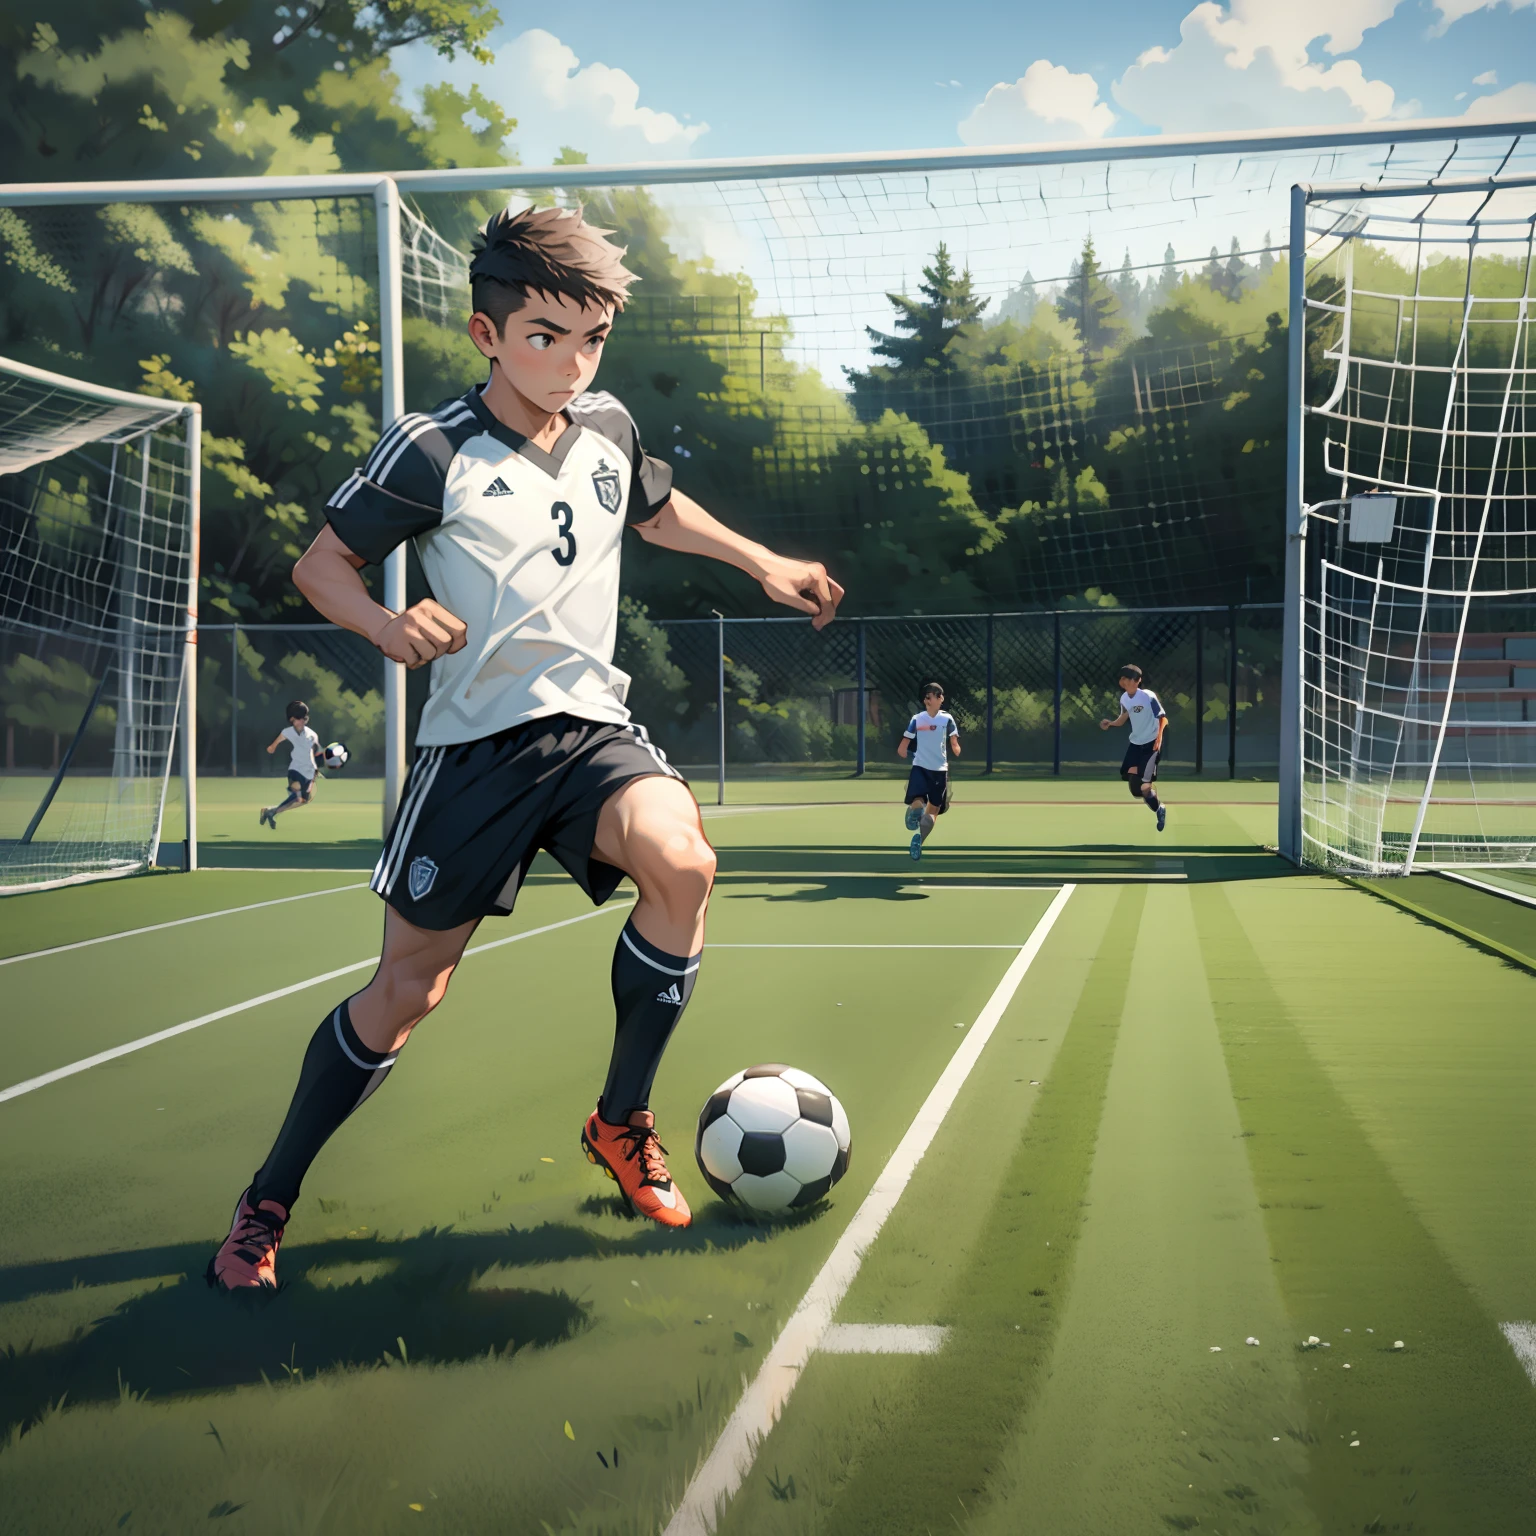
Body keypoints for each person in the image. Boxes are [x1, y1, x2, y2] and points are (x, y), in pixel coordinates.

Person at [208, 205, 843, 1290]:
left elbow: (656, 513)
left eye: (590, 339)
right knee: (407, 992)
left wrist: (760, 561)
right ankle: (266, 1201)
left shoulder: (607, 426)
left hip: (591, 726)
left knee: (683, 861)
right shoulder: (432, 448)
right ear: (487, 335)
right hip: (474, 752)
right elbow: (322, 566)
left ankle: (620, 1120)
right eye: (545, 336)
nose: (570, 361)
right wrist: (387, 624)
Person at [896, 683, 960, 862]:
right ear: (927, 700)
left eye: (936, 696)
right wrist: (956, 747)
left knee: (925, 805)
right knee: (931, 811)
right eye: (931, 696)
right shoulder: (919, 719)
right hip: (926, 769)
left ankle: (916, 815)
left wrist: (955, 746)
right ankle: (919, 836)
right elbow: (905, 741)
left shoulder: (944, 719)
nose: (934, 699)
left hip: (935, 770)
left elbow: (953, 740)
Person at [1100, 664, 1167, 832]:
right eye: (1123, 679)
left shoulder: (1148, 696)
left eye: (1129, 679)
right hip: (1136, 744)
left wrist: (1158, 739)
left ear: (1137, 681)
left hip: (1151, 744)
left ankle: (1160, 809)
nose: (1125, 682)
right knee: (1129, 778)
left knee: (1144, 788)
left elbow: (1162, 719)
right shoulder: (1124, 698)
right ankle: (1148, 785)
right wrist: (1111, 723)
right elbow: (1124, 717)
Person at [260, 701, 321, 829]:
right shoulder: (287, 732)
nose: (301, 722)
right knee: (297, 796)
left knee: (302, 801)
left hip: (309, 773)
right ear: (291, 719)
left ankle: (271, 811)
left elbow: (313, 753)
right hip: (295, 770)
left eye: (303, 718)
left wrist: (315, 771)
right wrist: (271, 748)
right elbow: (273, 746)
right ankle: (272, 812)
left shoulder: (312, 735)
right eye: (297, 719)